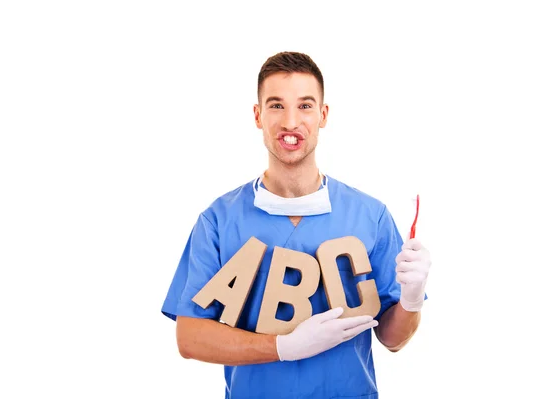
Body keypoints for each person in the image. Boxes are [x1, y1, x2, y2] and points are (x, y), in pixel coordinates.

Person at [161, 51, 432, 399]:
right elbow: (190, 337)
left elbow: (393, 340)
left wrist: (411, 300)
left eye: (305, 106)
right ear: (258, 115)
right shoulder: (218, 220)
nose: (291, 121)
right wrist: (282, 347)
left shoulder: (370, 215)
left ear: (323, 115)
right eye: (276, 105)